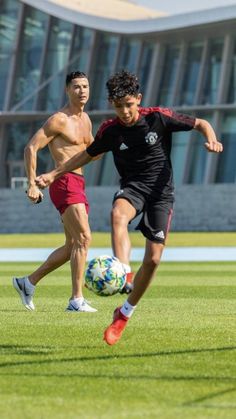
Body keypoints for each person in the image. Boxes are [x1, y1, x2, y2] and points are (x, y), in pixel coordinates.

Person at [35, 70, 223, 344]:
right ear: (112, 103)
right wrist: (53, 174)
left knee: (154, 259)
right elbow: (86, 155)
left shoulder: (158, 117)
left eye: (129, 104)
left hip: (161, 194)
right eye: (118, 105)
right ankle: (123, 272)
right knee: (117, 215)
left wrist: (212, 138)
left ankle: (124, 313)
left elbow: (201, 123)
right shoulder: (110, 131)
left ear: (138, 99)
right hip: (132, 188)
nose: (124, 111)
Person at [13, 71, 97, 313]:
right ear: (67, 90)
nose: (82, 91)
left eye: (85, 86)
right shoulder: (59, 120)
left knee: (72, 245)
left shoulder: (87, 120)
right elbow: (31, 147)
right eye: (77, 87)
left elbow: (92, 151)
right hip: (63, 182)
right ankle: (76, 300)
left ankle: (28, 282)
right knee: (84, 238)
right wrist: (31, 183)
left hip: (79, 182)